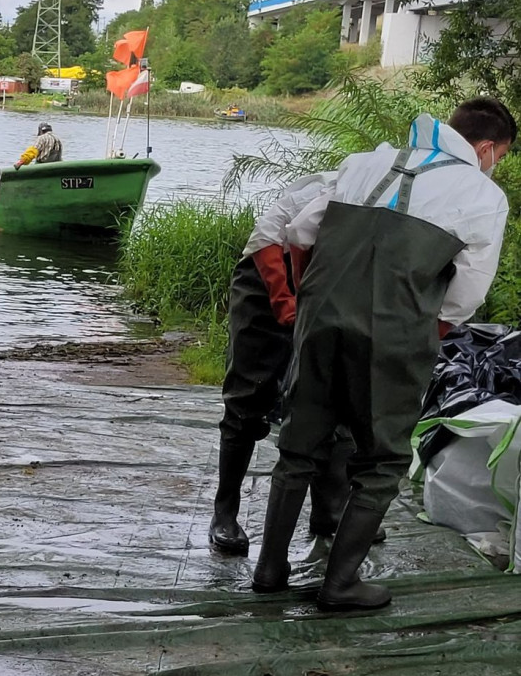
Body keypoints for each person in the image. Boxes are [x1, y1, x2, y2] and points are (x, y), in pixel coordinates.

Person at [252, 99, 515, 610]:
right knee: (383, 458)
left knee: (299, 444)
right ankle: (340, 583)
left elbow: (300, 232)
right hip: (395, 329)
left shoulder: (366, 162)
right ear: (485, 148)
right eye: (498, 156)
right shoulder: (483, 194)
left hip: (320, 317)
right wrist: (422, 329)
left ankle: (269, 568)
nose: (494, 165)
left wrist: (317, 301)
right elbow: (467, 296)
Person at [210, 172, 367, 554]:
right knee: (250, 394)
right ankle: (225, 513)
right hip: (267, 274)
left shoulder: (413, 204)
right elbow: (273, 239)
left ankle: (329, 513)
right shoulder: (344, 187)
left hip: (326, 282)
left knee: (334, 397)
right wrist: (288, 305)